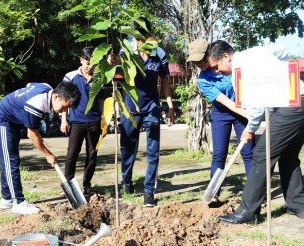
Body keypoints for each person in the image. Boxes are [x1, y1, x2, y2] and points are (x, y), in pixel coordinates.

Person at [206, 40, 304, 223]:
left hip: (290, 105)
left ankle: (247, 213)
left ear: (226, 56)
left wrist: (250, 130)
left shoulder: (240, 72)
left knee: (261, 155)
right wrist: (278, 74)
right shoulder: (255, 53)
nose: (217, 71)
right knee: (288, 156)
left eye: (217, 66)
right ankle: (298, 204)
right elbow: (283, 49)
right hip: (301, 98)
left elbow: (256, 109)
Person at [0, 82, 80, 215]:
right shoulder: (37, 104)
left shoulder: (47, 87)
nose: (63, 112)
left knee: (9, 159)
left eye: (66, 109)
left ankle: (7, 198)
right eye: (63, 107)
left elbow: (29, 84)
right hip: (3, 119)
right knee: (10, 160)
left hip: (14, 121)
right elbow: (32, 134)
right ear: (56, 97)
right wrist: (47, 154)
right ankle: (18, 203)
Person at [116, 17, 175, 207]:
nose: (139, 41)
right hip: (130, 108)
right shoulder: (125, 51)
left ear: (149, 35)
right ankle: (127, 182)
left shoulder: (159, 53)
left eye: (142, 37)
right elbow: (117, 76)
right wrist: (112, 61)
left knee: (153, 150)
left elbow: (165, 81)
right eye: (136, 38)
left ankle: (149, 191)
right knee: (128, 148)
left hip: (151, 108)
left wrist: (170, 106)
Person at [187, 39, 254, 201]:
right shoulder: (203, 80)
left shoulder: (229, 66)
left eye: (199, 59)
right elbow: (227, 103)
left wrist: (252, 115)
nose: (197, 64)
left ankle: (255, 193)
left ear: (208, 55)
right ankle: (214, 194)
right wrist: (253, 118)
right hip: (221, 112)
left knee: (249, 153)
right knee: (219, 154)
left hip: (242, 109)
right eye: (193, 61)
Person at [60, 46, 103, 195]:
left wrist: (103, 120)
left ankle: (87, 185)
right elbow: (63, 99)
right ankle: (69, 185)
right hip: (76, 122)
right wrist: (63, 119)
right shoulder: (70, 77)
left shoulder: (99, 77)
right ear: (81, 60)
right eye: (87, 62)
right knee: (72, 154)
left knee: (92, 155)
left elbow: (101, 101)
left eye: (93, 63)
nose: (90, 66)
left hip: (94, 122)